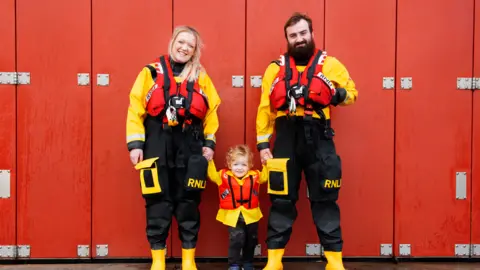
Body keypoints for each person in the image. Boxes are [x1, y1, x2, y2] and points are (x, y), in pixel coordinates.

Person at [256, 12, 358, 270]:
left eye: (303, 33)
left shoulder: (331, 64)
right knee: (280, 198)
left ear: (312, 34)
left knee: (325, 198)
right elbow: (265, 110)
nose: (299, 39)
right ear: (287, 39)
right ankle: (274, 261)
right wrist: (263, 145)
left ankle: (334, 262)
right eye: (293, 35)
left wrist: (333, 93)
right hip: (285, 138)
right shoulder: (274, 68)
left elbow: (352, 94)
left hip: (319, 138)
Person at [126, 25, 221, 270]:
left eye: (190, 45)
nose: (184, 47)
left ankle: (189, 261)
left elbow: (211, 114)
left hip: (190, 144)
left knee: (189, 201)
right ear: (172, 42)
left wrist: (209, 144)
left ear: (195, 51)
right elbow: (135, 109)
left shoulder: (201, 76)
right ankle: (158, 261)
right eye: (181, 42)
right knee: (157, 201)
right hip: (157, 141)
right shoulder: (150, 72)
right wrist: (136, 145)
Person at [206, 144, 274, 270]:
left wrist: (266, 164)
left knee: (251, 240)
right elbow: (212, 176)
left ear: (250, 165)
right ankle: (234, 264)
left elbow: (265, 177)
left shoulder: (255, 176)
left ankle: (248, 262)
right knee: (236, 240)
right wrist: (210, 161)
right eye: (236, 164)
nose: (239, 168)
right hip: (233, 216)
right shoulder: (223, 176)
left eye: (244, 164)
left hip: (252, 215)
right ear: (229, 164)